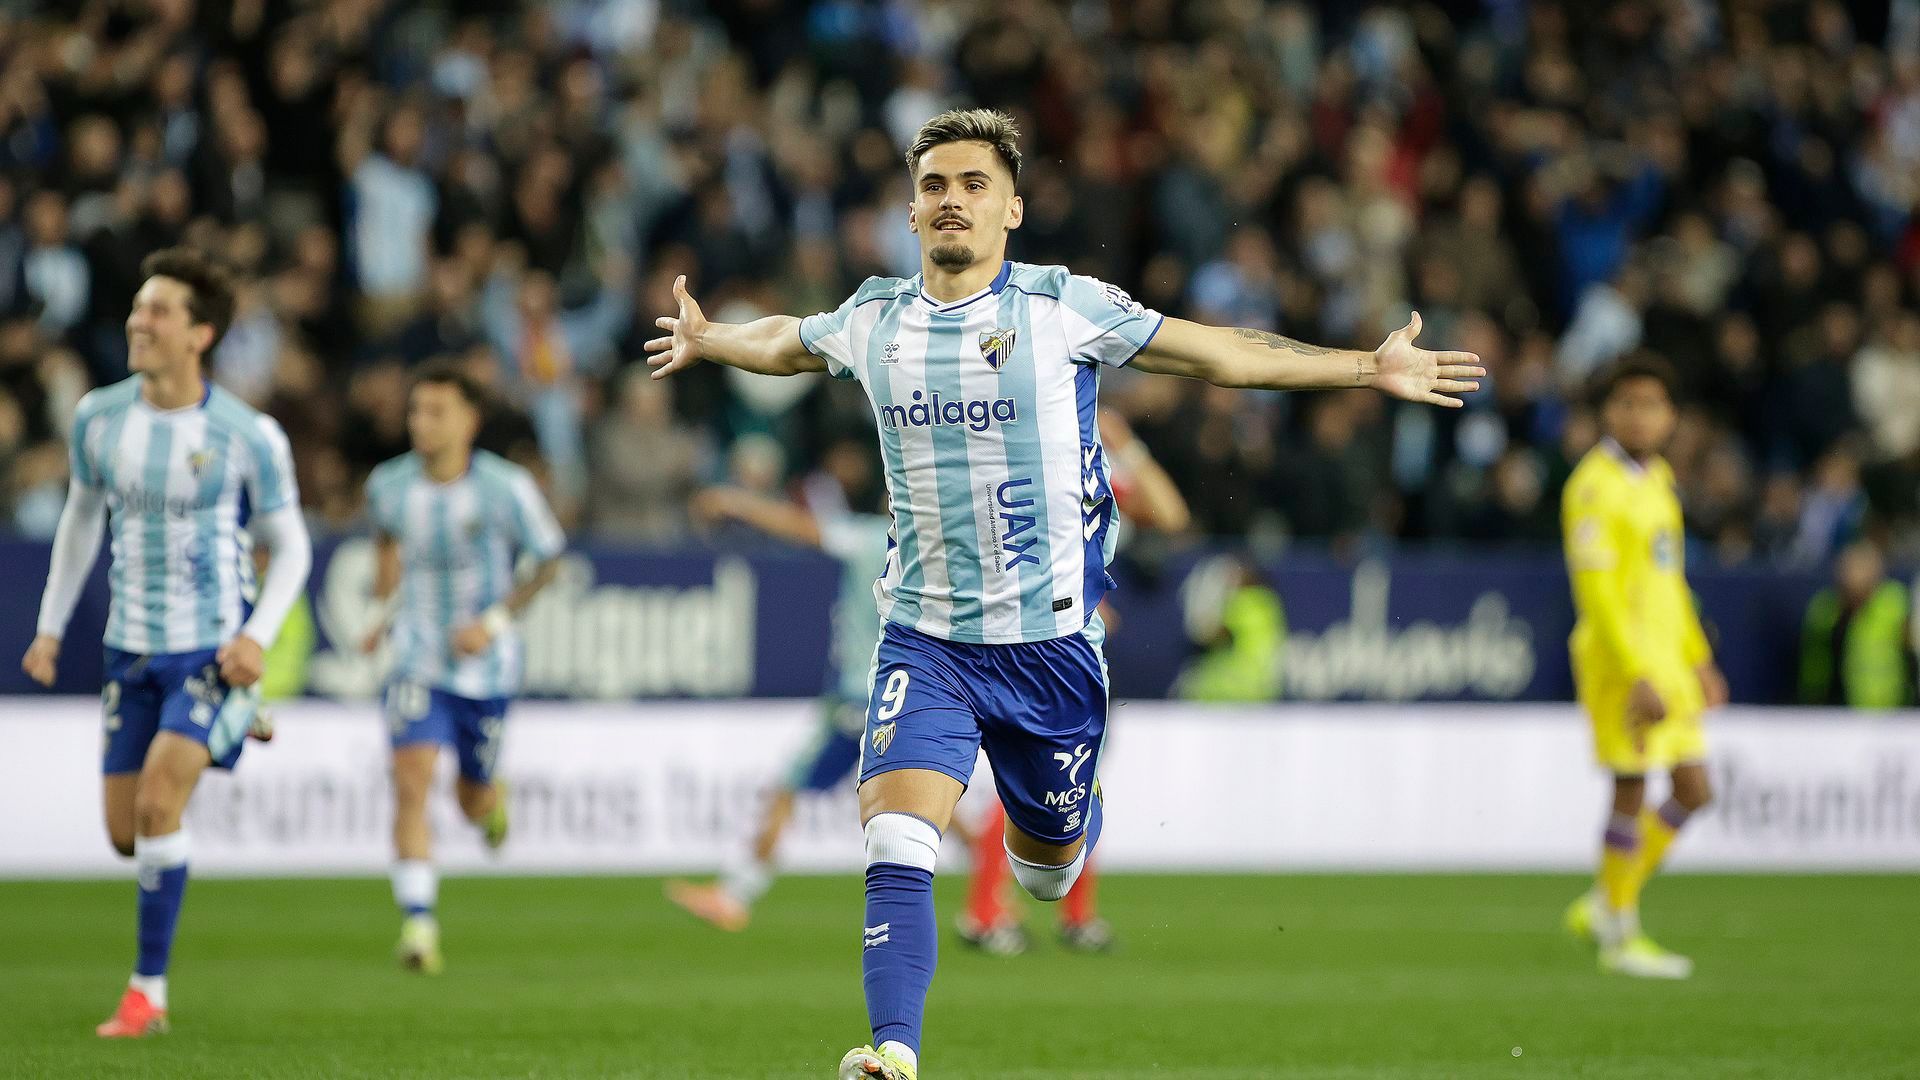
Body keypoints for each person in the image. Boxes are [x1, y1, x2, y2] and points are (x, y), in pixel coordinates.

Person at [646, 108, 1481, 1080]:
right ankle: (893, 1052)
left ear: (1012, 209)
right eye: (933, 186)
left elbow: (1219, 352)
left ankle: (1060, 841)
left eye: (974, 184)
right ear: (910, 212)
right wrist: (711, 339)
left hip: (1052, 652)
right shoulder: (874, 318)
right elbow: (788, 342)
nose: (951, 200)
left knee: (1047, 872)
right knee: (896, 834)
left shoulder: (1062, 307)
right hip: (925, 639)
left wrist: (1365, 366)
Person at [22, 247, 313, 1037]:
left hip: (210, 649)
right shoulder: (99, 417)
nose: (137, 321)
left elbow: (291, 546)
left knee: (158, 802)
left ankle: (146, 993)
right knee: (127, 834)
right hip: (131, 648)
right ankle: (233, 723)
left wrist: (255, 637)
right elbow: (82, 519)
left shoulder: (246, 433)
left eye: (158, 311)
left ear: (200, 334)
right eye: (138, 306)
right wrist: (49, 627)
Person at [957, 408, 1192, 955]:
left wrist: (1126, 444)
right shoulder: (1025, 466)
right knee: (1032, 784)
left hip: (1082, 654)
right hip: (1038, 649)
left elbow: (1172, 515)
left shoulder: (1093, 471)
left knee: (1077, 783)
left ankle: (1070, 915)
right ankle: (986, 912)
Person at [359, 361, 566, 974]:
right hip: (416, 658)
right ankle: (418, 925)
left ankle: (490, 802)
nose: (420, 423)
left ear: (469, 421)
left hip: (487, 668)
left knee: (470, 800)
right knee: (411, 779)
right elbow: (386, 541)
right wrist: (381, 611)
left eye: (436, 412)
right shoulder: (389, 484)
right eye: (415, 411)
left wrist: (493, 624)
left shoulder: (505, 488)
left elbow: (549, 560)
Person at [665, 448, 894, 931]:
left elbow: (798, 526)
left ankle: (734, 894)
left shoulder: (870, 537)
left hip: (860, 694)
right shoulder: (931, 556)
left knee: (790, 787)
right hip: (899, 693)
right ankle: (990, 882)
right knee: (913, 796)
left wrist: (736, 502)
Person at [1560, 356, 1728, 979]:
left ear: (1671, 416)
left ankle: (1607, 901)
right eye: (1626, 403)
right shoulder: (1592, 487)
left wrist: (1698, 657)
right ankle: (1620, 933)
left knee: (1693, 790)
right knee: (1630, 788)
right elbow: (1597, 594)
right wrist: (1635, 672)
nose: (1638, 416)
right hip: (1620, 665)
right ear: (1608, 412)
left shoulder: (1657, 478)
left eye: (1651, 405)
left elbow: (1670, 581)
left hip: (1669, 663)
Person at [1798, 541, 1912, 709]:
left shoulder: (1894, 604)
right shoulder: (1825, 609)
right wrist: (1813, 698)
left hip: (1891, 709)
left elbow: (1910, 650)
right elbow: (1815, 662)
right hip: (1835, 707)